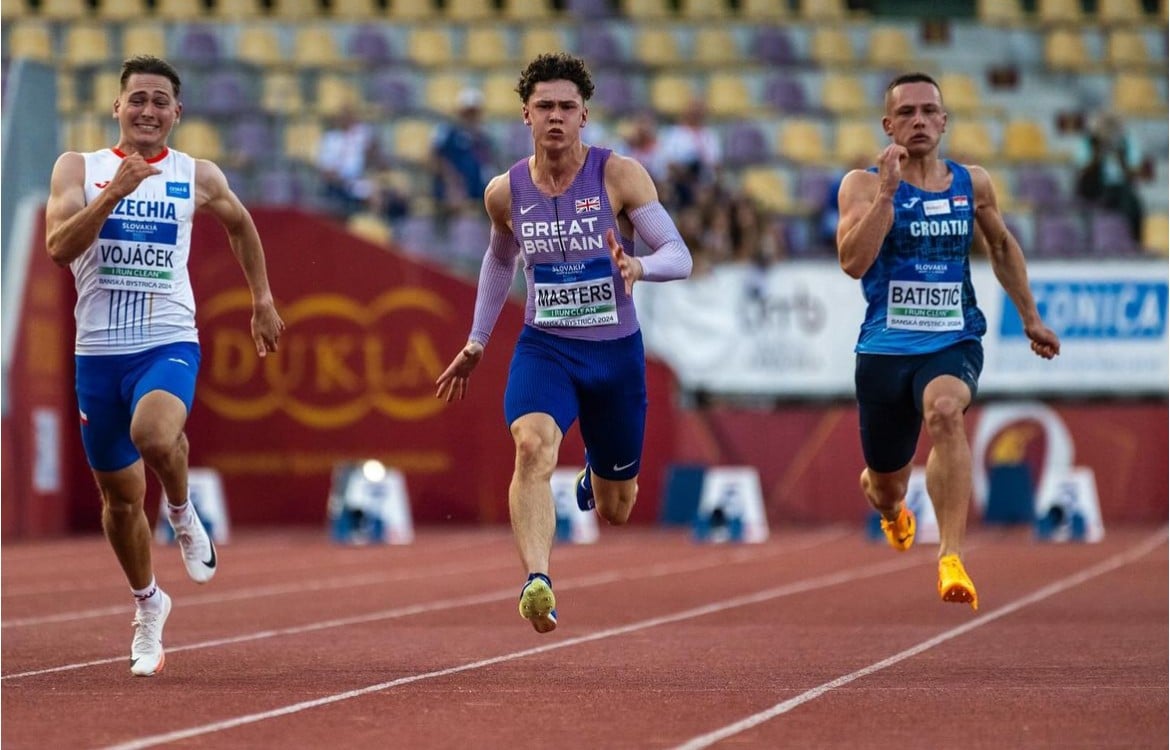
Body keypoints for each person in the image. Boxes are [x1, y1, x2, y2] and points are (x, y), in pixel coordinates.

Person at [434, 53, 692, 634]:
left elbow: (680, 255)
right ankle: (537, 581)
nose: (555, 116)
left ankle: (596, 470)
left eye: (566, 107)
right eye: (544, 106)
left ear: (585, 117)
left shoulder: (618, 175)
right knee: (530, 446)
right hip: (545, 349)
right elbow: (499, 262)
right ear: (525, 114)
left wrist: (639, 268)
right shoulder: (505, 192)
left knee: (616, 509)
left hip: (615, 355)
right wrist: (477, 340)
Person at [44, 55, 284, 675]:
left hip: (168, 337)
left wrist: (261, 298)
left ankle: (179, 510)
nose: (148, 111)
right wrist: (113, 196)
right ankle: (149, 604)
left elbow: (241, 224)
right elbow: (57, 247)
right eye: (137, 100)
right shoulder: (80, 167)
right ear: (117, 107)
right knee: (120, 501)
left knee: (153, 434)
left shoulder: (195, 173)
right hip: (97, 352)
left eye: (160, 102)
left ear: (177, 113)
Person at [835, 72, 1060, 611]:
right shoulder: (862, 185)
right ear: (888, 125)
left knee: (944, 412)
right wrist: (888, 194)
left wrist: (1030, 316)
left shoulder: (972, 183)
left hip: (951, 339)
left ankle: (951, 556)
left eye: (927, 111)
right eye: (905, 113)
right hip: (884, 351)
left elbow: (1002, 247)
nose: (918, 120)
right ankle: (891, 508)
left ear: (943, 122)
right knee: (886, 484)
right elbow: (853, 262)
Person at [1074, 110, 1145, 244]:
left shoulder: (1125, 143)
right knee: (1122, 195)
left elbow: (1133, 168)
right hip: (1094, 185)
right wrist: (1098, 154)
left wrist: (1120, 156)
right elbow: (1082, 168)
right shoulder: (1089, 142)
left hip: (1119, 187)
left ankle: (1134, 238)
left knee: (1133, 202)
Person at [430, 87, 496, 220]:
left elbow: (489, 164)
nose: (471, 117)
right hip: (452, 189)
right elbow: (434, 158)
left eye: (474, 113)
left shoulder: (484, 138)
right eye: (467, 112)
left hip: (478, 190)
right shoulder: (447, 132)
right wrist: (452, 183)